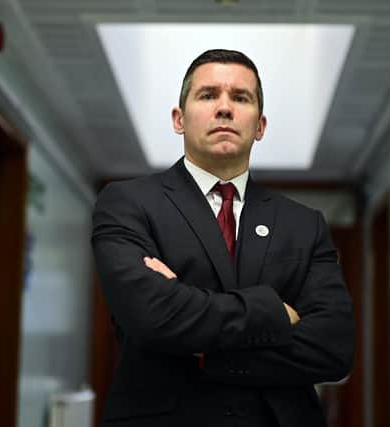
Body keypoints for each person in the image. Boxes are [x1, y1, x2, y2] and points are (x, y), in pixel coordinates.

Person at [91, 49, 354, 427]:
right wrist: (274, 312)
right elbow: (148, 316)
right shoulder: (128, 203)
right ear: (179, 119)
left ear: (260, 126)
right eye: (208, 95)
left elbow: (333, 347)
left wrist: (201, 349)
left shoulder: (304, 224)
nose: (225, 108)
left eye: (241, 97)